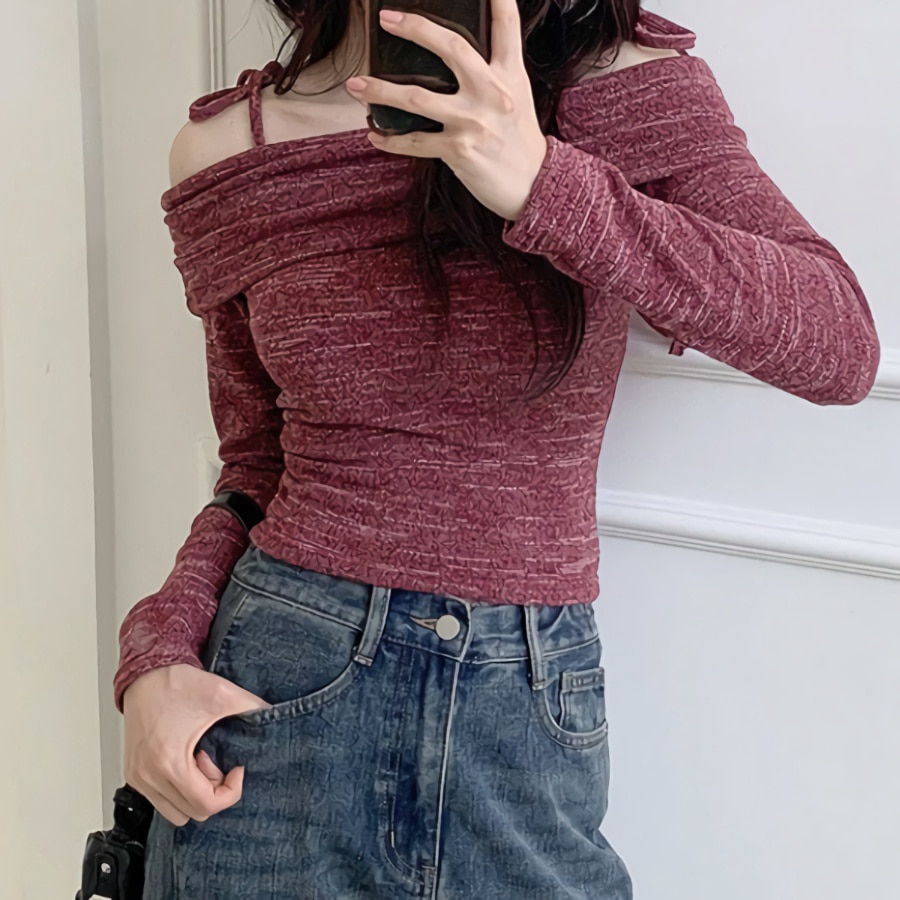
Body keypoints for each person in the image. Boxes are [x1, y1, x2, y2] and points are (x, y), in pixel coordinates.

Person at [114, 0, 881, 897]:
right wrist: (156, 653)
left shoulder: (622, 88)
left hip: (523, 707)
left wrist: (541, 180)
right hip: (281, 698)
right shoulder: (228, 149)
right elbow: (254, 465)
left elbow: (837, 345)